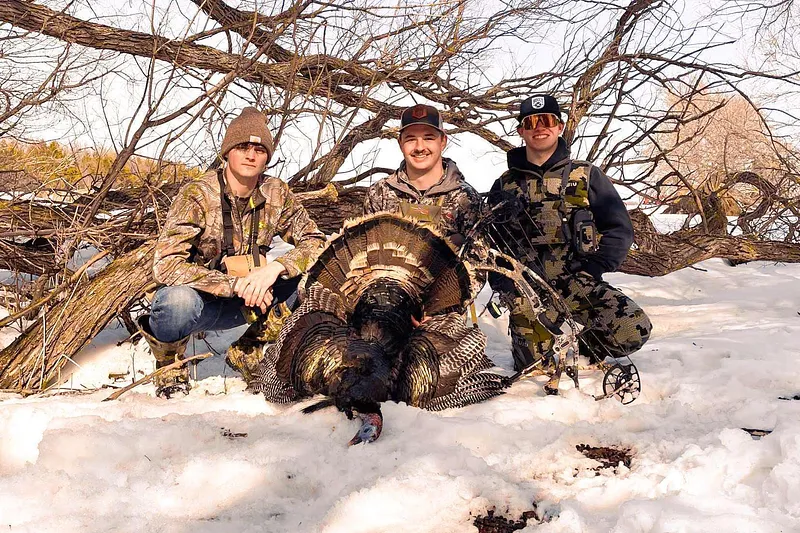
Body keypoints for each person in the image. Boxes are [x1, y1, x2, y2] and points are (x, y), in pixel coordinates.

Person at [138, 107, 325, 398]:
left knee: (311, 283)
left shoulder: (276, 192)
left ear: (267, 157)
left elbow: (316, 241)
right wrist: (235, 284)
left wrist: (274, 269)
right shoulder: (198, 193)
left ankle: (248, 350)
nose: (251, 155)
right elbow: (166, 265)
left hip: (252, 301)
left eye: (259, 150)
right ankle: (170, 366)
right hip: (201, 303)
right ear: (227, 152)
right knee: (175, 302)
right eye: (242, 147)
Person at [486, 94, 652, 371]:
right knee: (533, 366)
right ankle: (538, 346)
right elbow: (490, 241)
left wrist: (595, 267)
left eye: (547, 120)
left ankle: (582, 351)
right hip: (528, 291)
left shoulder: (586, 175)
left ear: (560, 127)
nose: (540, 127)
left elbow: (619, 228)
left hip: (577, 282)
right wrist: (505, 286)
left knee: (634, 328)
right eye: (531, 122)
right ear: (521, 131)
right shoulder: (505, 185)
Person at [363, 104, 487, 297]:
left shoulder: (466, 198)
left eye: (428, 138)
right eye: (411, 139)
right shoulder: (380, 193)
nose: (420, 147)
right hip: (387, 302)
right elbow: (365, 256)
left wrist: (442, 301)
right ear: (400, 143)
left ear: (443, 141)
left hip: (444, 307)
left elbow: (479, 265)